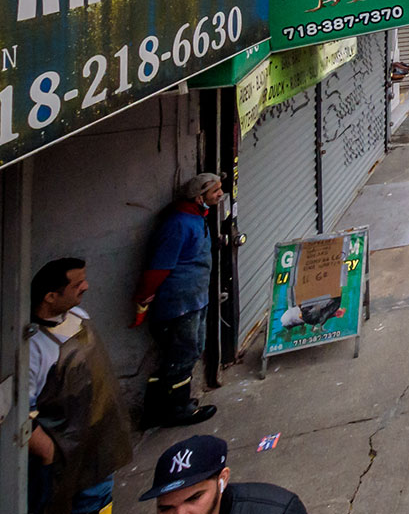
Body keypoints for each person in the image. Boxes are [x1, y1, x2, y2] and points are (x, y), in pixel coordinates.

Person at [28, 258, 132, 514]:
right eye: (77, 284)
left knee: (101, 502)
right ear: (51, 296)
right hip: (66, 454)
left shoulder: (77, 315)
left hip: (99, 440)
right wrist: (50, 453)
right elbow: (21, 416)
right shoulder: (34, 348)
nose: (85, 286)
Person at [132, 174, 222, 428]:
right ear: (198, 197)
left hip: (194, 299)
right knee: (184, 354)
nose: (220, 195)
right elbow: (159, 267)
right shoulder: (179, 224)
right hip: (181, 304)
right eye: (215, 191)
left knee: (181, 354)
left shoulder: (196, 218)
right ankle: (178, 409)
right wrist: (144, 298)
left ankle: (156, 410)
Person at [140, 435, 306, 514]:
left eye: (193, 498)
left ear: (222, 479)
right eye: (165, 508)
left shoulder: (278, 510)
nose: (180, 513)